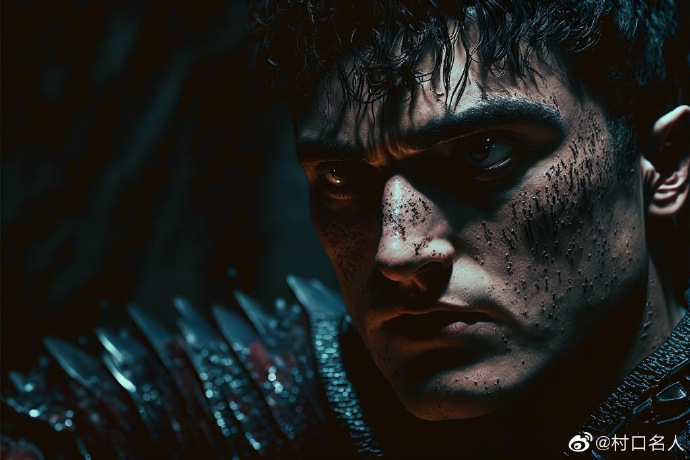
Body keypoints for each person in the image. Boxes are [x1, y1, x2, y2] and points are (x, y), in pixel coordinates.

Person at [2, 1, 689, 458]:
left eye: (484, 153)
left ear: (664, 164)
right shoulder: (222, 417)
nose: (397, 250)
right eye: (340, 179)